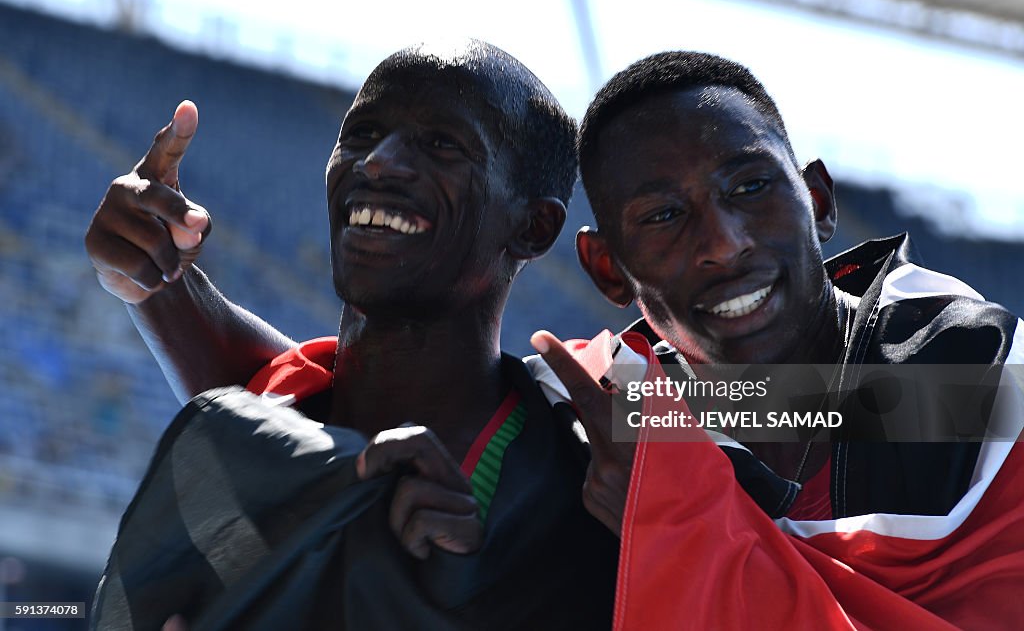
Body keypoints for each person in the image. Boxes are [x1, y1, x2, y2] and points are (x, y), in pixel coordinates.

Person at [84, 40, 617, 629]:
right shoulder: (250, 429)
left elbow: (737, 404)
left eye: (443, 144)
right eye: (360, 134)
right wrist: (152, 271)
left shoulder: (602, 422)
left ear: (534, 226)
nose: (378, 162)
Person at [528, 51, 1024, 629]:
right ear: (608, 269)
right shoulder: (599, 413)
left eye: (751, 186)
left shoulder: (977, 377)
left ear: (816, 201)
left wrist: (680, 526)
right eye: (664, 216)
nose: (723, 242)